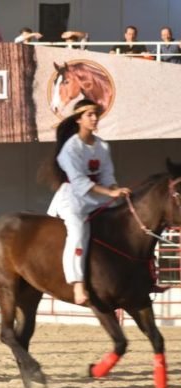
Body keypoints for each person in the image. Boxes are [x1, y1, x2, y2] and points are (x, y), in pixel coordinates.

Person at [45, 99, 131, 305]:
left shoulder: (102, 146)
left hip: (97, 197)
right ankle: (78, 284)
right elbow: (80, 182)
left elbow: (108, 176)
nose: (95, 118)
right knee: (77, 232)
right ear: (78, 119)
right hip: (73, 199)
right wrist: (110, 193)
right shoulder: (70, 149)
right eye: (89, 115)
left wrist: (115, 190)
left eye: (96, 114)